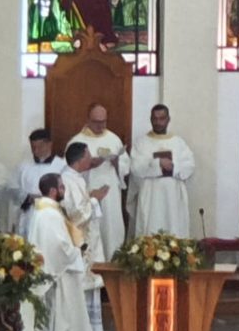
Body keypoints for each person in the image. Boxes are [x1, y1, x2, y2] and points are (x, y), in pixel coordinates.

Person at [21, 174, 94, 331]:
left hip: (56, 277)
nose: (64, 190)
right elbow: (58, 248)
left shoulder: (47, 211)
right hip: (56, 280)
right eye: (62, 187)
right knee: (57, 326)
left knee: (56, 326)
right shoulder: (48, 215)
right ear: (54, 191)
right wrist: (77, 250)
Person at [68, 103, 130, 258]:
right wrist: (89, 165)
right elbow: (69, 170)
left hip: (110, 194)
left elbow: (126, 166)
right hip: (87, 192)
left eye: (103, 122)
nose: (100, 125)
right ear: (88, 119)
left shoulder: (113, 139)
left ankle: (112, 261)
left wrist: (116, 163)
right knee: (92, 231)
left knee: (110, 229)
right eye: (96, 122)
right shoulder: (77, 141)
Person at [60, 143, 107, 331]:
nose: (91, 160)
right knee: (81, 285)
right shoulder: (67, 180)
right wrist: (95, 198)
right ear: (80, 159)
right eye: (88, 156)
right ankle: (81, 330)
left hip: (87, 239)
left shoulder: (76, 178)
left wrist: (91, 197)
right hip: (78, 241)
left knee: (89, 285)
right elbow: (75, 214)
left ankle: (89, 329)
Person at [130, 104, 195, 237]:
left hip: (173, 196)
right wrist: (158, 163)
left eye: (162, 118)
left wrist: (173, 165)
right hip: (151, 194)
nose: (158, 122)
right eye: (155, 119)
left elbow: (189, 165)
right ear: (150, 119)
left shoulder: (178, 142)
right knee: (150, 229)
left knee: (174, 228)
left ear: (168, 119)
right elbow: (135, 167)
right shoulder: (141, 143)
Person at [15, 129, 67, 236]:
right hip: (30, 214)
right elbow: (15, 190)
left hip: (52, 214)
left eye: (40, 147)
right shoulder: (24, 167)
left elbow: (66, 191)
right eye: (33, 147)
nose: (36, 151)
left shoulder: (62, 166)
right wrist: (28, 197)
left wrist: (48, 198)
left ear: (49, 145)